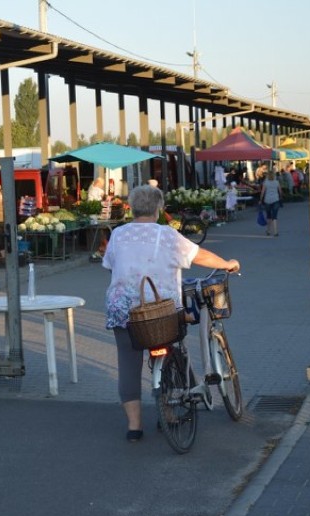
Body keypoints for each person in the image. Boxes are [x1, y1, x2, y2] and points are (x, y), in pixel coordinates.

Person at [102, 185, 240, 442]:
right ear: (159, 209)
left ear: (131, 208)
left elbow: (110, 266)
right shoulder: (167, 235)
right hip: (163, 311)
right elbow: (200, 256)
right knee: (168, 349)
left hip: (125, 313)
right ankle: (168, 412)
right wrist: (227, 264)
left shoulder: (118, 234)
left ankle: (134, 427)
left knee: (128, 366)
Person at [260, 170, 282, 237]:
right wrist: (280, 197)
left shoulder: (265, 183)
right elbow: (280, 191)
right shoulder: (277, 182)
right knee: (275, 217)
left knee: (268, 216)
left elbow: (262, 192)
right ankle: (275, 232)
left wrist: (260, 199)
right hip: (276, 200)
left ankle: (268, 230)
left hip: (267, 200)